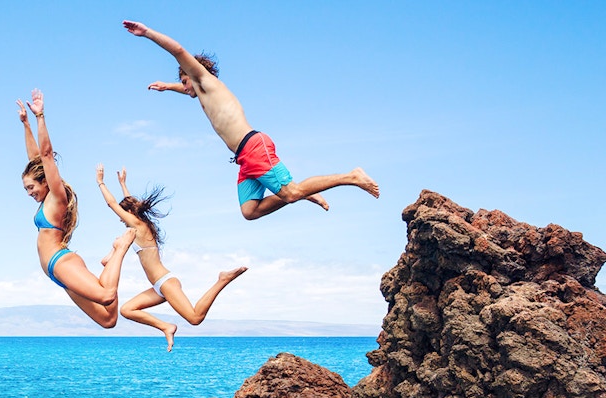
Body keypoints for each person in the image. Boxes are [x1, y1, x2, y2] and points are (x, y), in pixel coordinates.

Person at [122, 20, 379, 221]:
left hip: (254, 147)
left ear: (192, 74)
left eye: (184, 80)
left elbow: (178, 50)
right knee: (250, 211)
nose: (185, 87)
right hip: (244, 158)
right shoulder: (199, 90)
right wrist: (168, 87)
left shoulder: (205, 81)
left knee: (291, 192)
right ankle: (301, 193)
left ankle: (351, 177)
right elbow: (187, 90)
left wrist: (147, 33)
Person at [97, 164, 247, 351]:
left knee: (194, 318)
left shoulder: (139, 225)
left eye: (122, 215)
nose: (120, 219)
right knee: (127, 310)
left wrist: (101, 183)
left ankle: (222, 280)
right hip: (157, 286)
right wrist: (123, 184)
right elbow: (130, 205)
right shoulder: (136, 227)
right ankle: (166, 327)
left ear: (129, 214)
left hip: (166, 282)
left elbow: (112, 204)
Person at [19, 89, 134, 328]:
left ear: (44, 181)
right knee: (108, 320)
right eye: (26, 190)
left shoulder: (57, 197)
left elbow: (46, 156)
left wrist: (40, 117)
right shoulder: (45, 199)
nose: (30, 193)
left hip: (61, 263)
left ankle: (120, 248)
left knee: (106, 296)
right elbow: (35, 160)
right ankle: (109, 262)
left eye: (31, 188)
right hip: (56, 273)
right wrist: (25, 125)